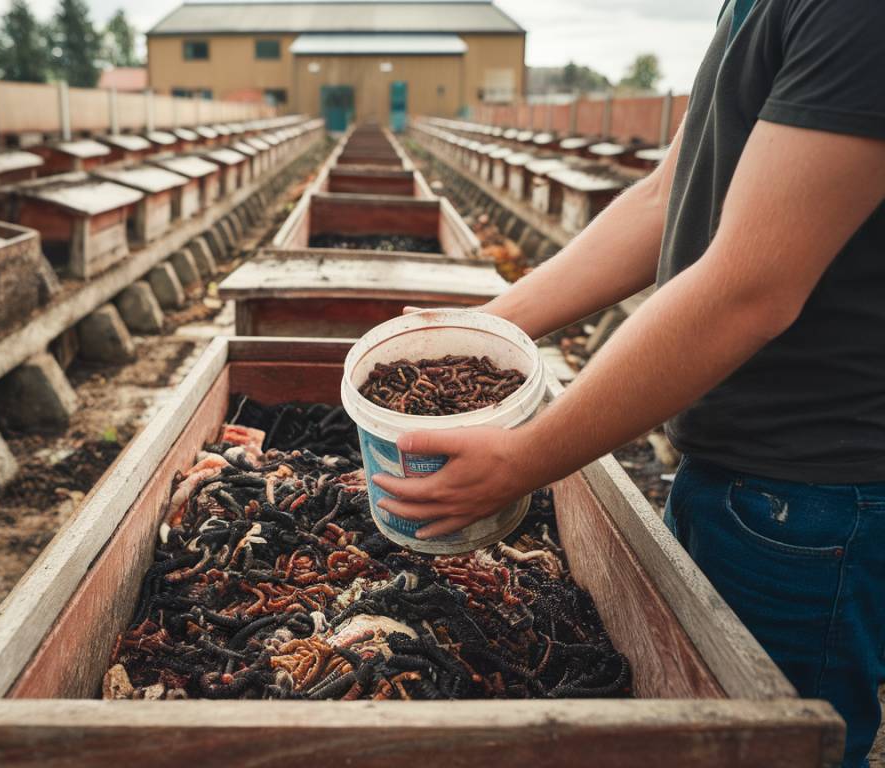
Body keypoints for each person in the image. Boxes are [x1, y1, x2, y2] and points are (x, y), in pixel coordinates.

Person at [374, 0, 885, 765]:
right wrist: (480, 328)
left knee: (768, 746)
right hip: (735, 471)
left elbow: (751, 289)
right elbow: (662, 198)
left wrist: (528, 458)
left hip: (810, 496)